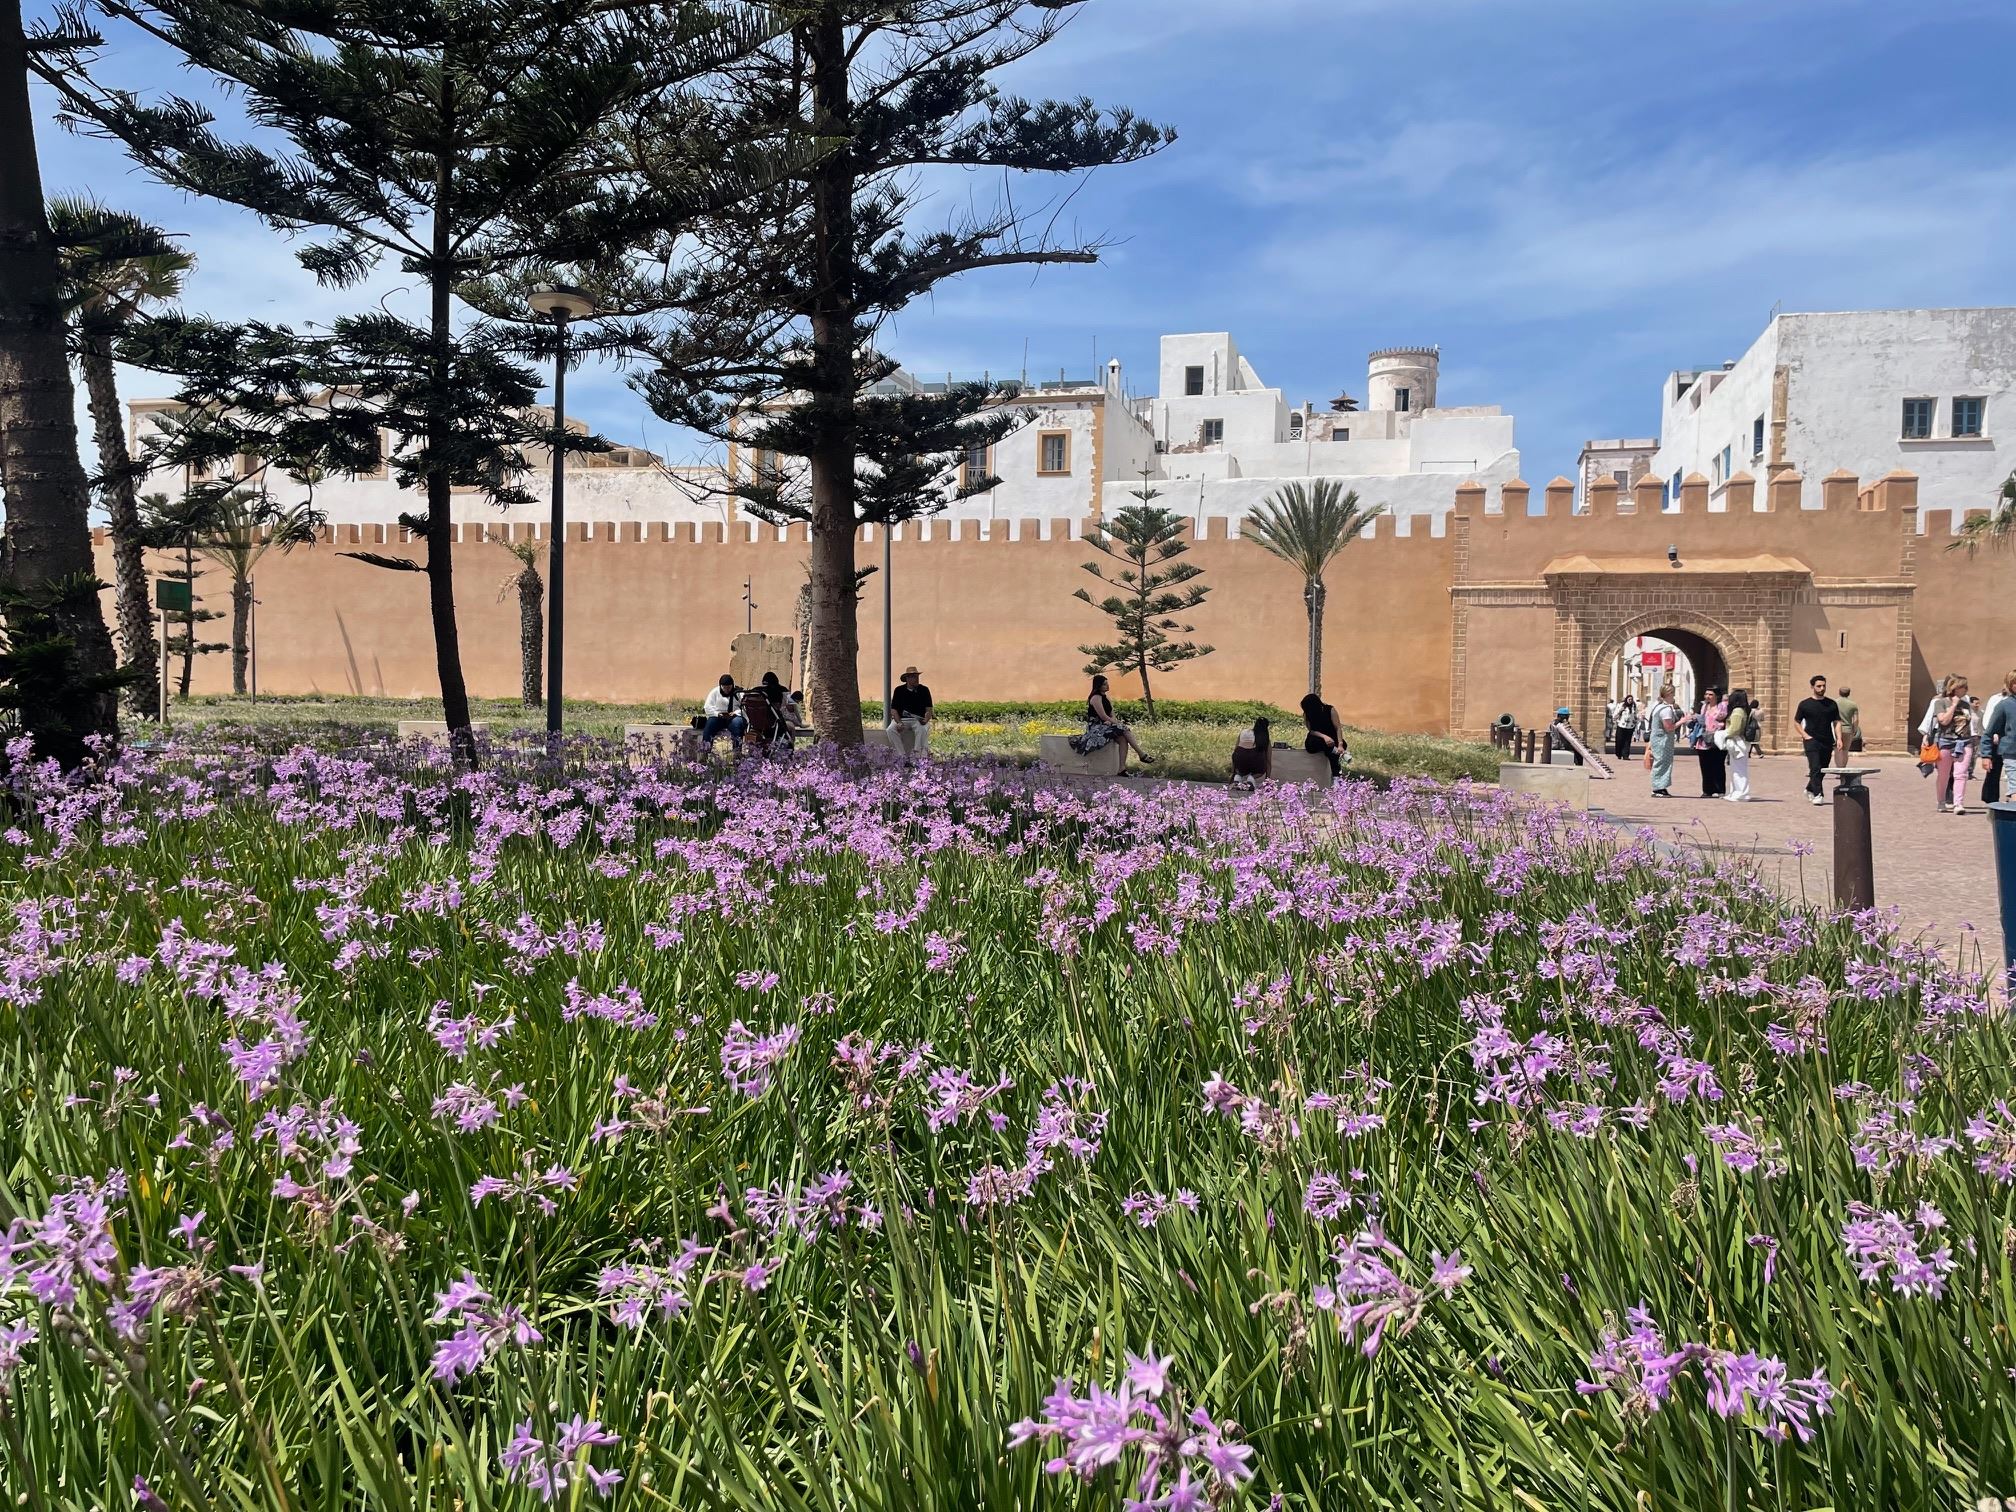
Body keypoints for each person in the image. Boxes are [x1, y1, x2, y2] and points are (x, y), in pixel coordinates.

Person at [1922, 674, 1980, 814]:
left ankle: (1958, 803)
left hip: (1964, 742)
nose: (1966, 689)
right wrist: (1953, 705)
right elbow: (1943, 721)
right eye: (1963, 687)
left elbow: (1971, 722)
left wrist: (1975, 737)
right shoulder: (1940, 702)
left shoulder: (1966, 704)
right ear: (1954, 688)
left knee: (1961, 774)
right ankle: (1941, 801)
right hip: (1946, 742)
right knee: (1944, 774)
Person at [1070, 674, 1153, 767]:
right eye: (1104, 684)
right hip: (1096, 728)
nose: (1107, 686)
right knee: (1124, 729)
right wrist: (1115, 723)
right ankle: (1141, 754)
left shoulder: (1106, 697)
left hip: (1106, 726)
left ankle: (1122, 768)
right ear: (1099, 686)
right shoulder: (1095, 698)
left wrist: (1112, 721)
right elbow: (1103, 716)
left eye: (1107, 683)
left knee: (1122, 739)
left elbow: (1112, 714)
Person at [1790, 674, 1841, 805]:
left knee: (1823, 768)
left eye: (1824, 686)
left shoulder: (1831, 704)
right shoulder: (1805, 704)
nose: (1822, 688)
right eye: (1819, 686)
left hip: (1827, 740)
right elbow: (1797, 722)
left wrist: (1839, 738)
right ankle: (1818, 794)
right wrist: (1805, 735)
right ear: (1812, 687)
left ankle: (1809, 788)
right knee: (1815, 767)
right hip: (1811, 740)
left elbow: (1837, 722)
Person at [1983, 671, 2016, 808]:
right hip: (2011, 753)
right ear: (2011, 685)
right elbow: (1989, 732)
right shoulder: (2004, 706)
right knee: (2015, 786)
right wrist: (1986, 755)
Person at [887, 665, 934, 757]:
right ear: (907, 678)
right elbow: (893, 710)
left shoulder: (924, 690)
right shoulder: (899, 690)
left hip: (918, 720)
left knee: (922, 729)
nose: (916, 679)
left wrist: (926, 719)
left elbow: (929, 709)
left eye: (917, 676)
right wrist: (899, 722)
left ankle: (916, 756)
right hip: (902, 719)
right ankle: (902, 756)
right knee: (890, 730)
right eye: (913, 677)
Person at [1301, 692, 1348, 777]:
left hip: (1332, 737)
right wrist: (1324, 737)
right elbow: (1311, 731)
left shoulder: (1330, 710)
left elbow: (1338, 728)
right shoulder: (1307, 714)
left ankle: (1336, 773)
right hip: (1317, 737)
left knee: (1333, 748)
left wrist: (1340, 744)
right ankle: (1337, 770)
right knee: (1324, 745)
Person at [1647, 682, 1681, 797]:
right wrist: (1682, 721)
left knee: (1662, 762)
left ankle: (1661, 786)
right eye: (1672, 694)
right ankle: (1658, 788)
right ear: (1668, 694)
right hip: (1662, 740)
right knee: (1662, 762)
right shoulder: (1665, 709)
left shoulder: (1658, 706)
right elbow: (1669, 727)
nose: (1674, 697)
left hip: (1659, 739)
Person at [1720, 689, 1755, 801]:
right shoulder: (1743, 710)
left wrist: (1722, 734)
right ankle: (1735, 791)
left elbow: (1734, 729)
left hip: (1738, 742)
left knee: (1739, 769)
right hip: (1739, 742)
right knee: (1735, 769)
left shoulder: (1737, 712)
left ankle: (1741, 793)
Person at [1695, 687, 1727, 798]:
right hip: (1704, 739)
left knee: (1718, 765)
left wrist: (1717, 725)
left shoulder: (1722, 706)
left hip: (1717, 738)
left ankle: (1720, 789)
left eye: (1710, 694)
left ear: (1716, 696)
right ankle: (1707, 790)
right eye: (1706, 694)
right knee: (1705, 766)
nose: (1707, 696)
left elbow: (1723, 719)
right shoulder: (1704, 706)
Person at [699, 675, 745, 747]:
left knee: (737, 725)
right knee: (709, 725)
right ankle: (705, 750)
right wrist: (717, 714)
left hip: (734, 717)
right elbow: (707, 707)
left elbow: (744, 708)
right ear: (720, 686)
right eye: (724, 688)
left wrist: (736, 713)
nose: (727, 690)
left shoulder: (739, 693)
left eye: (729, 687)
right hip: (718, 717)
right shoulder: (714, 692)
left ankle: (737, 752)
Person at [1231, 717, 1272, 789]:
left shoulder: (1243, 732)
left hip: (1240, 758)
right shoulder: (1265, 739)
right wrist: (1267, 780)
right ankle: (1251, 778)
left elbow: (1235, 751)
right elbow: (1268, 761)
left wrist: (1233, 772)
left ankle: (1237, 778)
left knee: (1241, 765)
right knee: (1261, 768)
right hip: (1255, 760)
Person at [1835, 685, 1864, 754]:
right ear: (1849, 693)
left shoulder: (1834, 703)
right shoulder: (1853, 704)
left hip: (1835, 728)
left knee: (1837, 751)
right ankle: (1843, 764)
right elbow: (1856, 720)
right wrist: (1854, 730)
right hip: (1847, 730)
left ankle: (1839, 764)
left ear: (1839, 692)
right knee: (1845, 751)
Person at [1612, 694, 1637, 762]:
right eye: (1629, 699)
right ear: (1626, 699)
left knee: (1627, 741)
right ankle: (1619, 753)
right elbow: (1615, 715)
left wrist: (1636, 721)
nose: (1630, 701)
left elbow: (1635, 715)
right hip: (1621, 725)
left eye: (1631, 699)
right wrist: (1621, 711)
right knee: (1619, 740)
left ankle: (1625, 755)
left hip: (1630, 726)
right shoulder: (1621, 705)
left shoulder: (1634, 706)